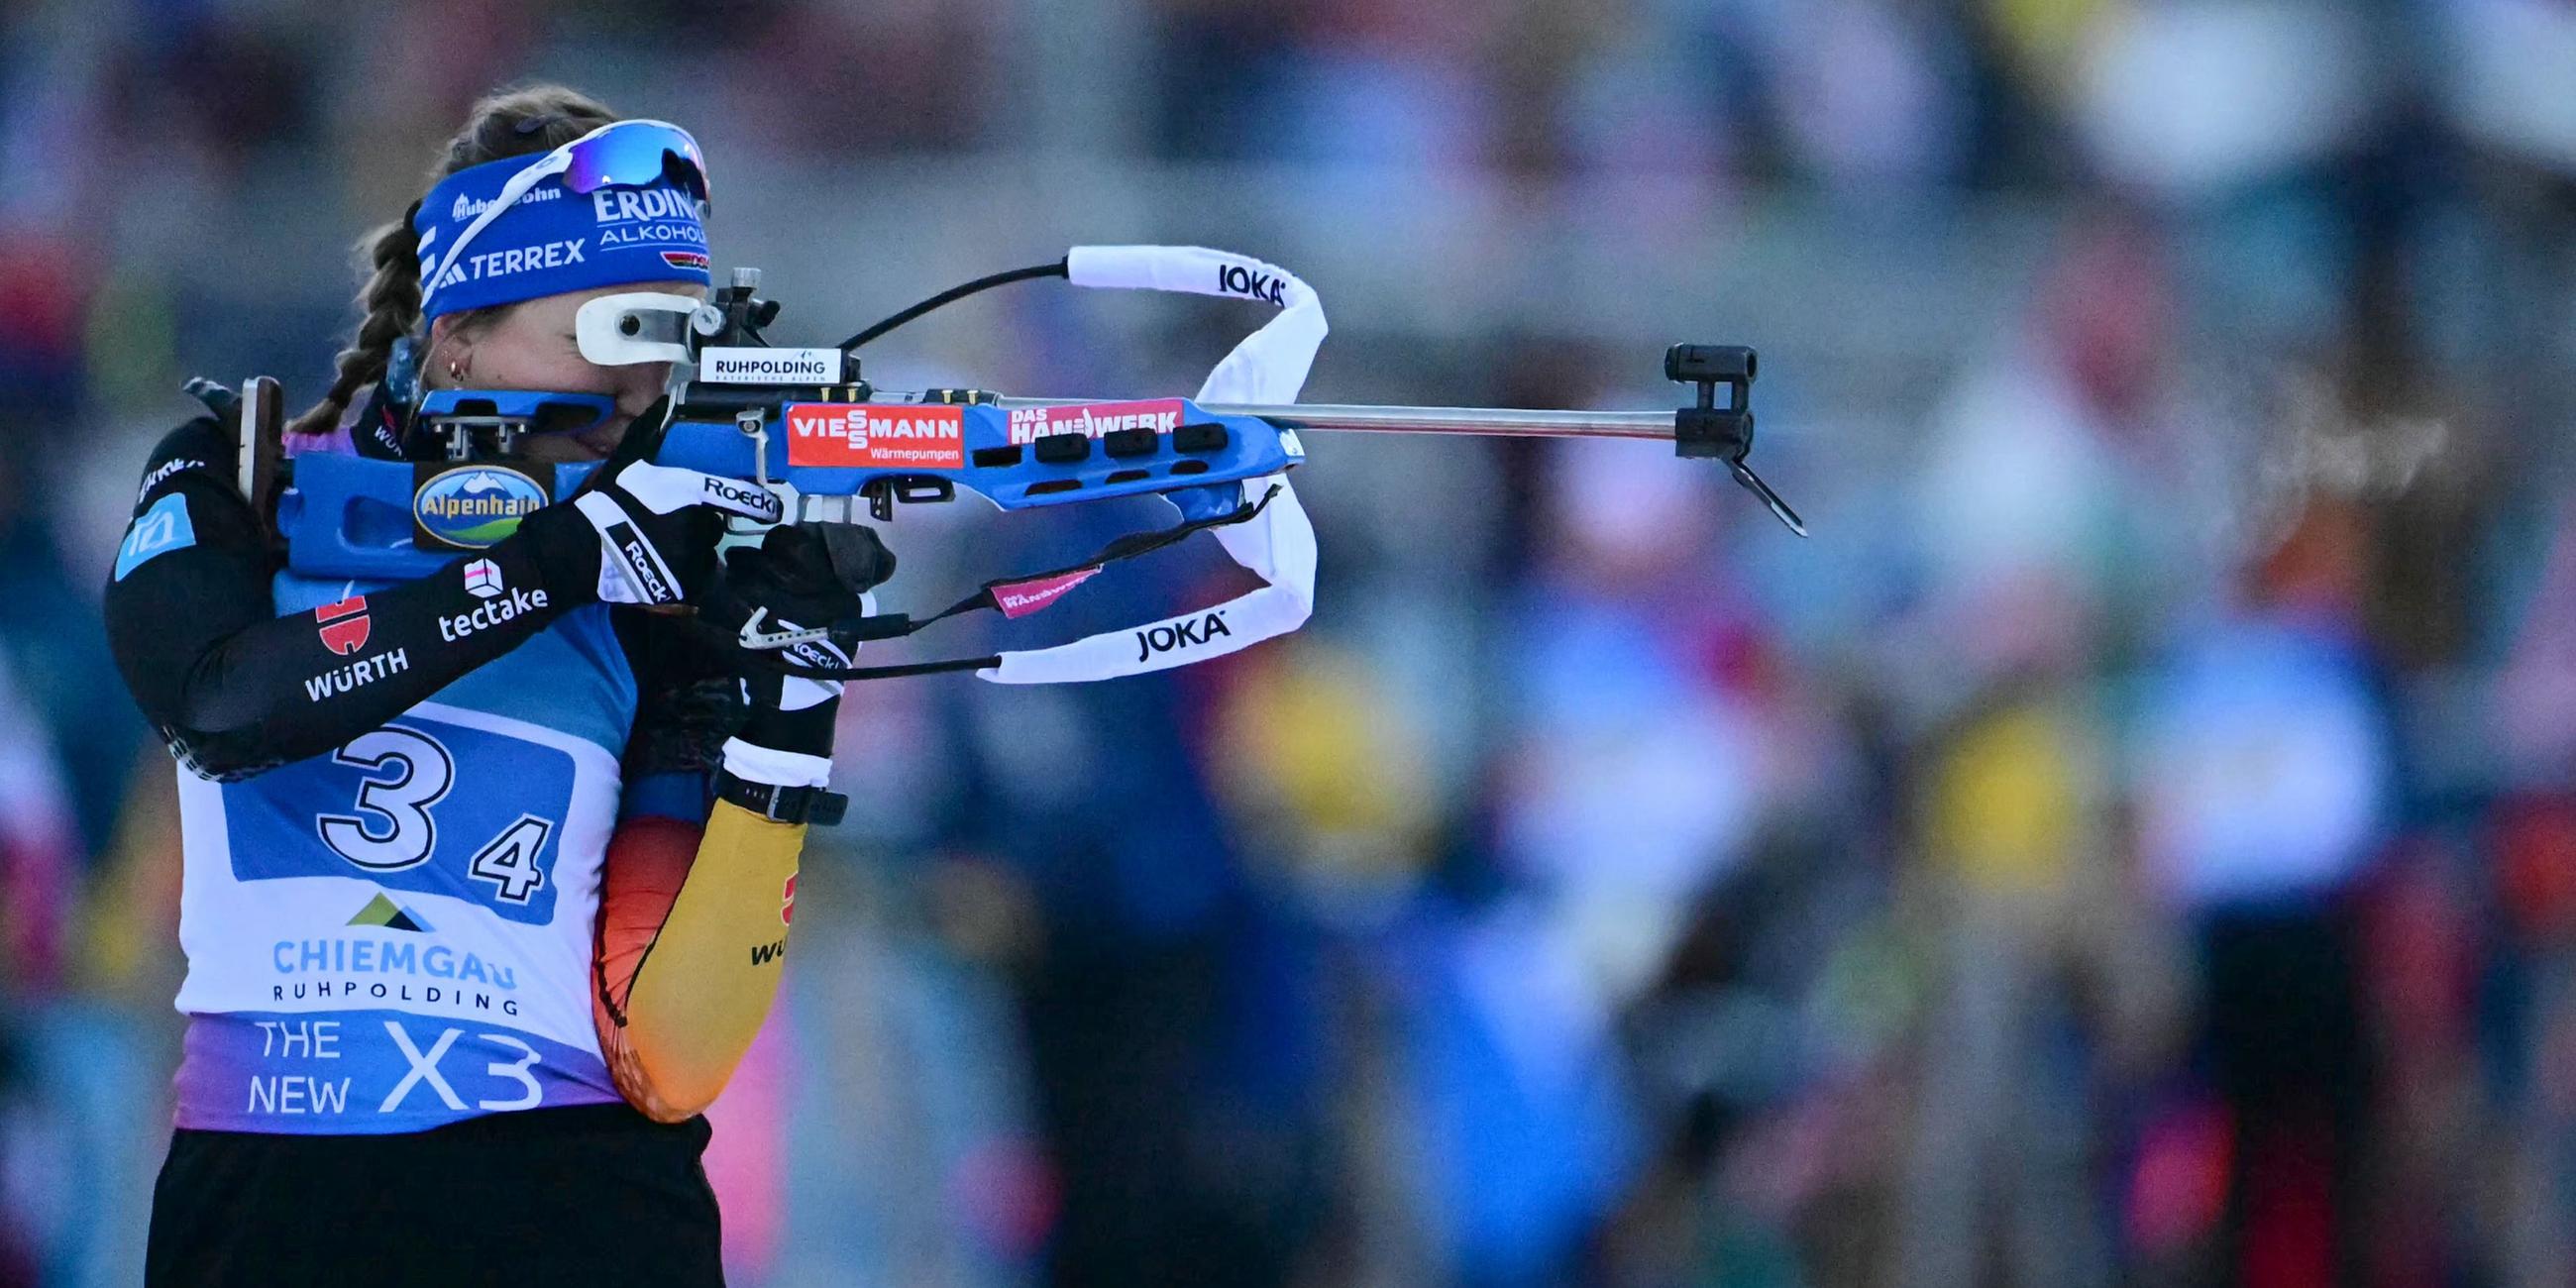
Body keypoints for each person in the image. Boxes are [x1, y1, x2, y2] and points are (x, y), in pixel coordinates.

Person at [103, 85, 882, 1286]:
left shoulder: (663, 591)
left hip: (579, 1210)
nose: (641, 399)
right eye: (609, 339)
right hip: (272, 1204)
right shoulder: (243, 478)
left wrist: (791, 697)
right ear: (459, 332)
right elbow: (222, 705)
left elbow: (673, 1052)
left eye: (676, 345)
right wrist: (559, 561)